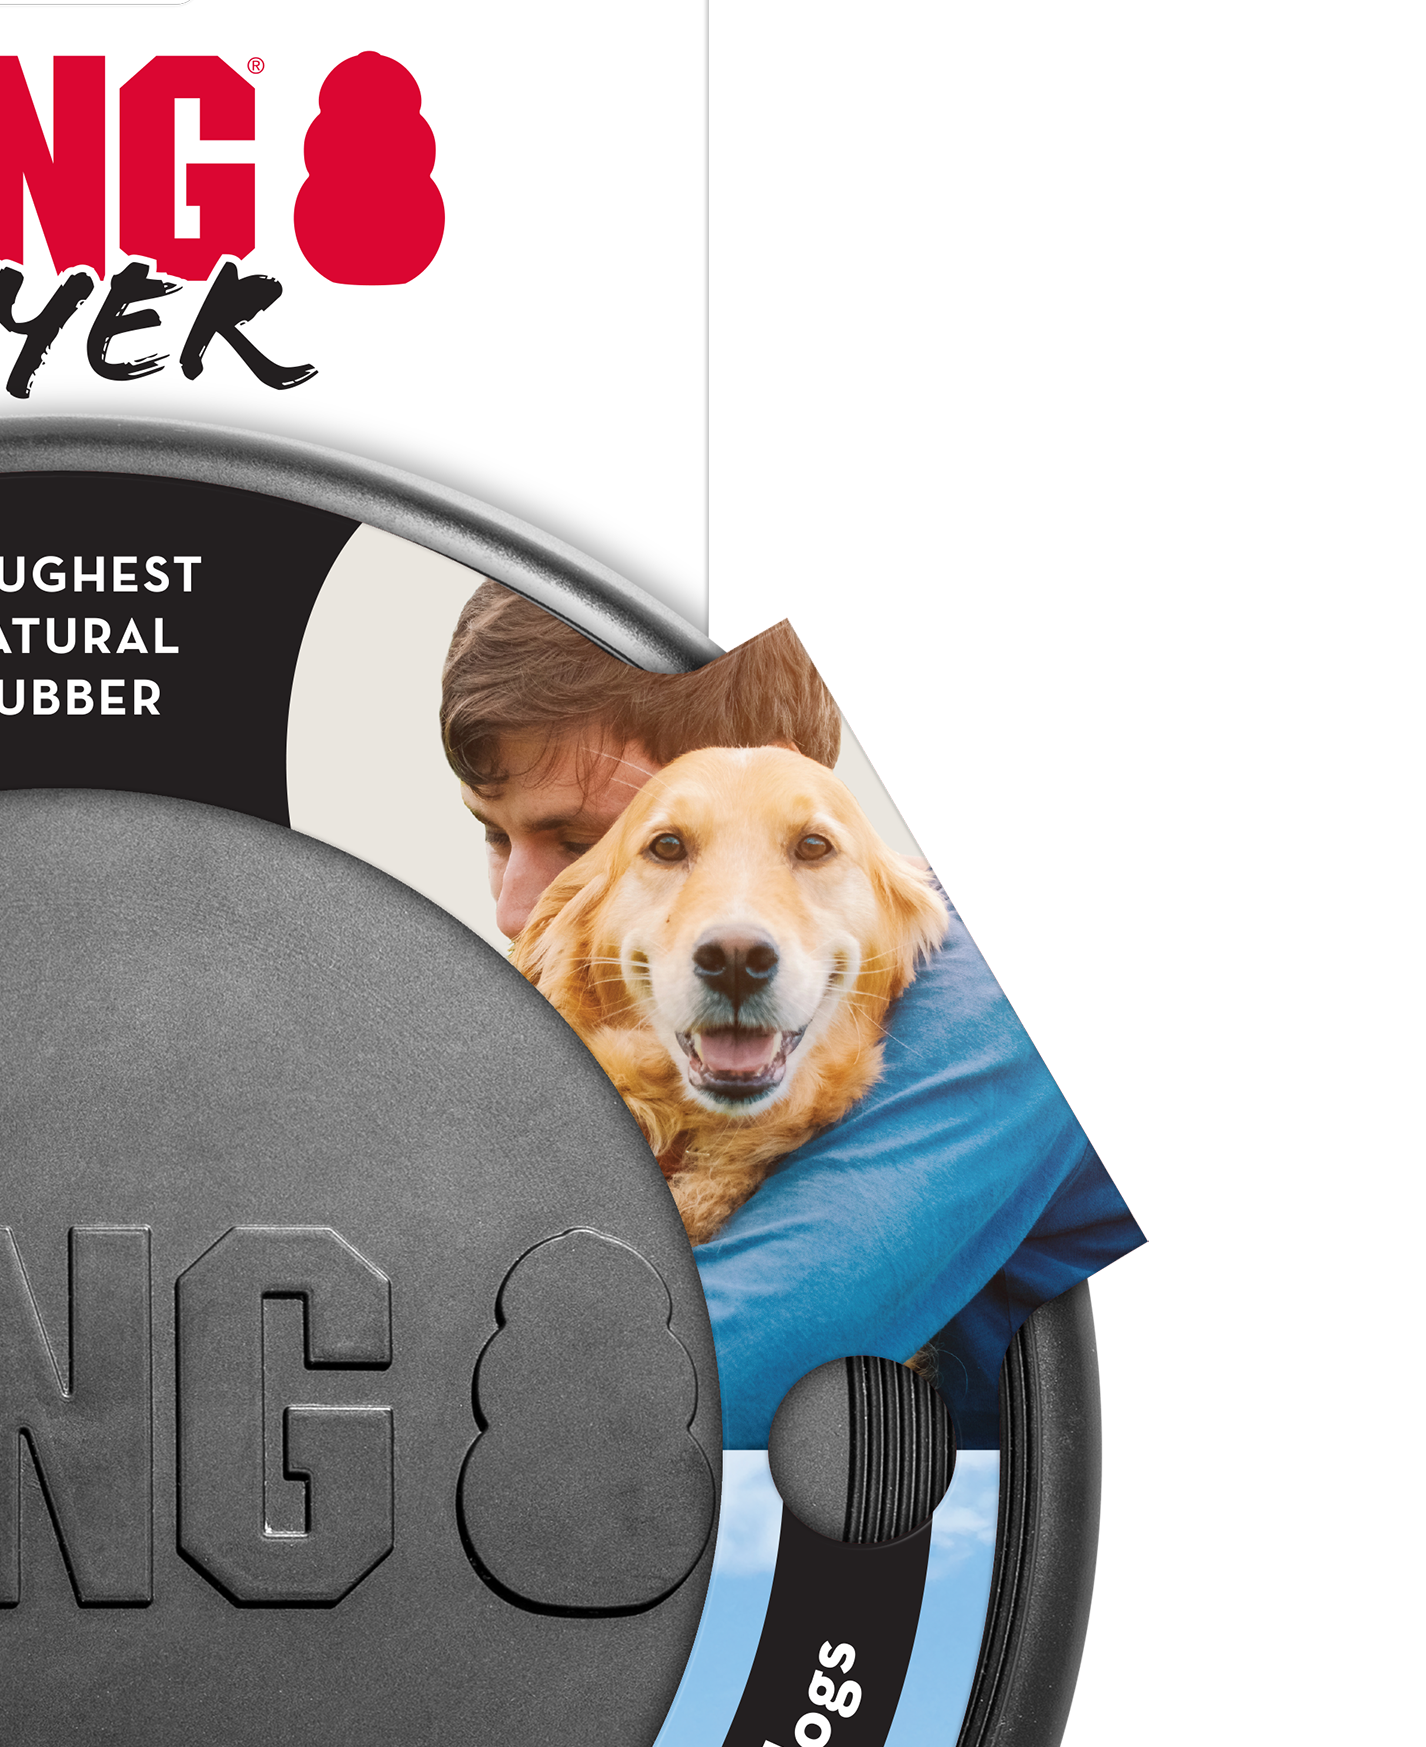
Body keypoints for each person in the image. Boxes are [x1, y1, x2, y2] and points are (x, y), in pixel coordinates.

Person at [440, 585, 1138, 1447]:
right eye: (495, 837)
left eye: (583, 843)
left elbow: (691, 1389)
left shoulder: (1022, 981)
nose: (516, 912)